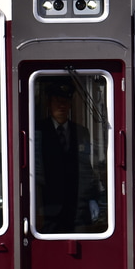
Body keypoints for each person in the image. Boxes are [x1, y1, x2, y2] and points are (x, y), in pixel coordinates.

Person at [34, 78, 101, 233]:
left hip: (77, 208)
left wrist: (91, 197)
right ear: (49, 104)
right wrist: (35, 207)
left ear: (70, 104)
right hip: (48, 209)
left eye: (65, 100)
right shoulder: (37, 130)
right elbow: (35, 171)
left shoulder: (81, 131)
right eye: (57, 100)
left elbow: (86, 168)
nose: (62, 105)